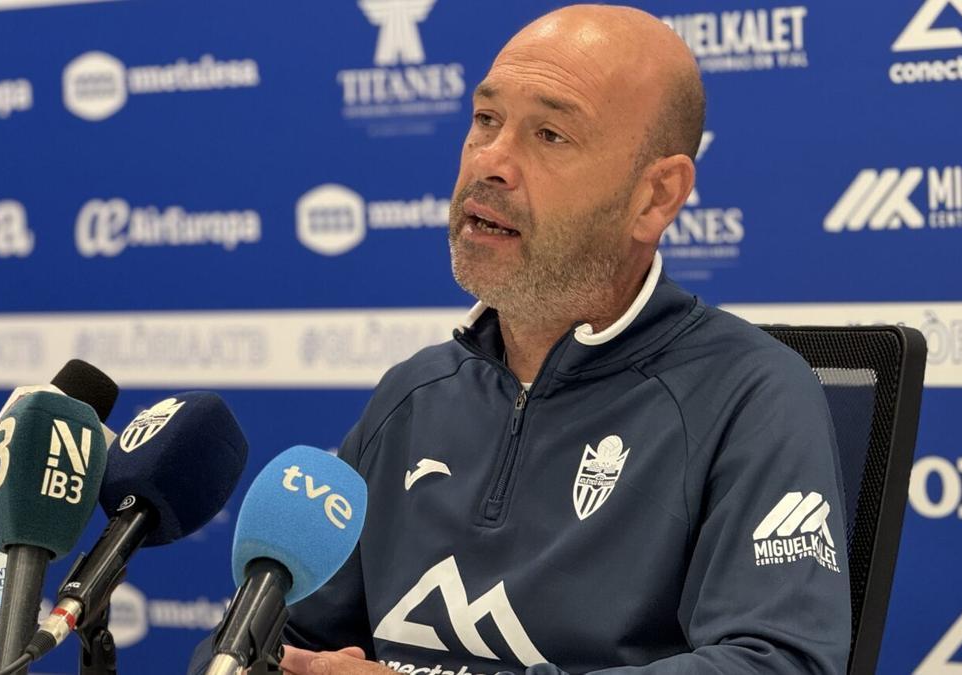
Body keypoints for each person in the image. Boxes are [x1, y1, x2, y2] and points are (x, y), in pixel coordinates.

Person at [209, 4, 852, 674]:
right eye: (486, 120)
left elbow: (780, 662)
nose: (491, 162)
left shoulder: (749, 394)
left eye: (549, 135)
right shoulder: (413, 394)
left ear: (656, 196)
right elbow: (259, 640)